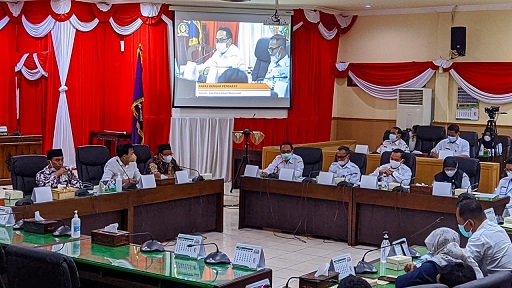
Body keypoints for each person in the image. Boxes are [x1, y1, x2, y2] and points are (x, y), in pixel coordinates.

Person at [395, 227, 482, 288]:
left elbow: (400, 283)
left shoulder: (431, 267)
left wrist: (411, 273)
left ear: (436, 245)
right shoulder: (466, 262)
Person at [456, 196, 512, 275]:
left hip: (497, 282)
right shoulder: (498, 228)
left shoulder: (479, 238)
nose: (459, 226)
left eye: (459, 223)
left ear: (470, 223)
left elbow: (463, 266)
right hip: (506, 279)